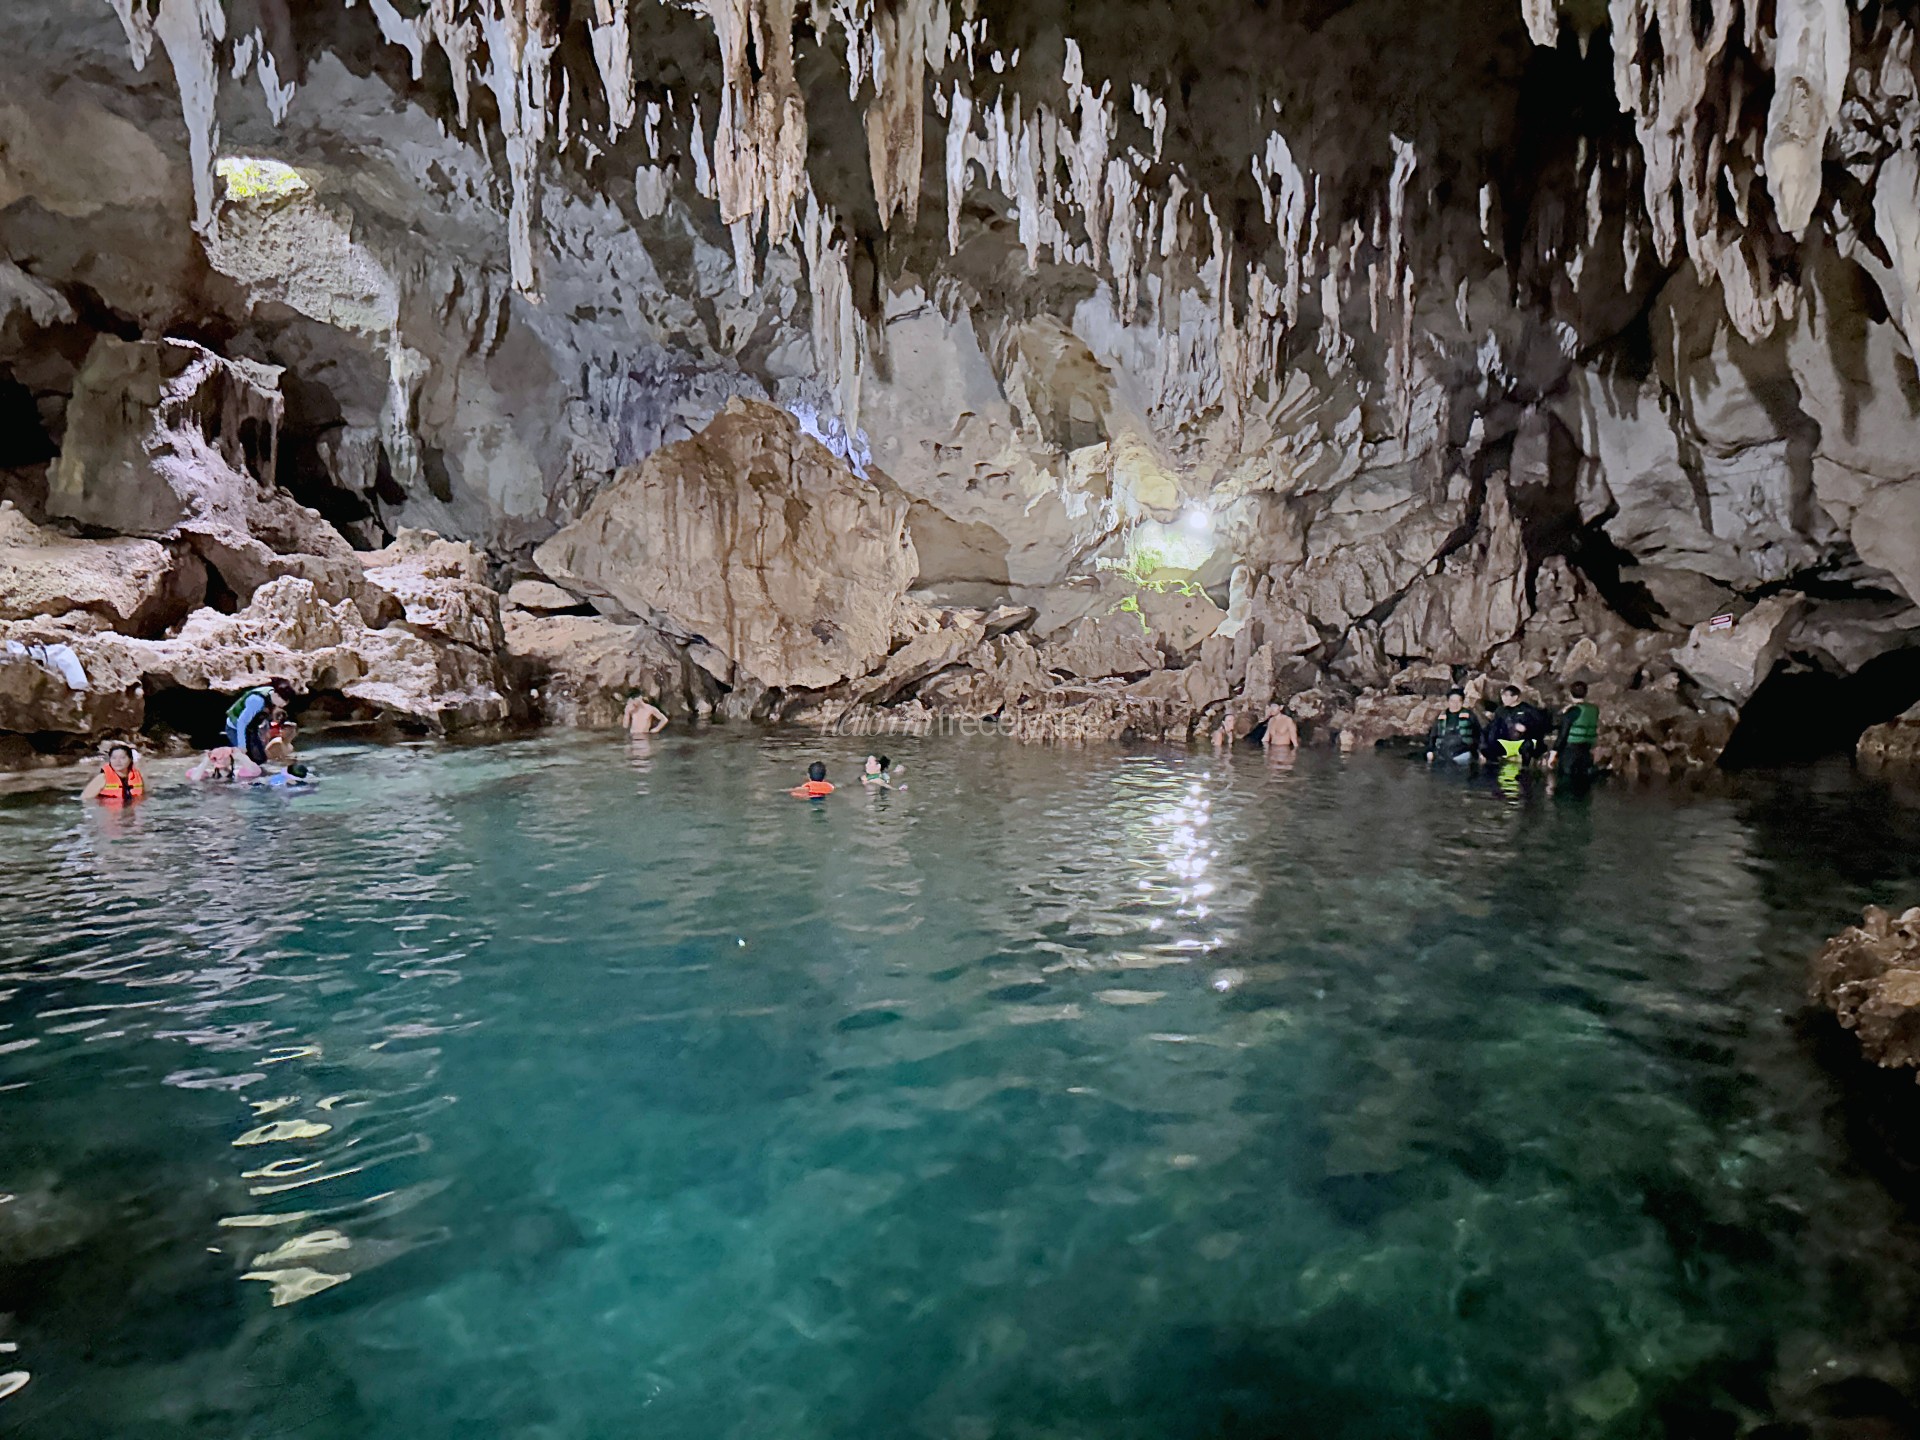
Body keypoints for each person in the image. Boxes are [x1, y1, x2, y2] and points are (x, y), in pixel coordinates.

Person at [226, 680, 294, 765]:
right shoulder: (257, 701)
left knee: (260, 758)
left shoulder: (271, 694)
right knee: (247, 759)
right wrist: (242, 745)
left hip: (251, 728)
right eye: (283, 701)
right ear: (276, 695)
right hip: (235, 728)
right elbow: (241, 722)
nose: (284, 704)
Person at [1482, 684, 1548, 765]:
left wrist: (1527, 728)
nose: (1503, 699)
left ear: (1515, 697)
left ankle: (1526, 768)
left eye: (1506, 696)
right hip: (1505, 743)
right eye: (1503, 696)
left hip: (1523, 744)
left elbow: (1541, 727)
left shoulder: (1528, 710)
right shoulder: (1501, 710)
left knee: (1529, 745)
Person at [1550, 681, 1600, 784]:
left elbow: (1563, 733)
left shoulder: (1573, 710)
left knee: (1566, 783)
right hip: (1586, 750)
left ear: (1570, 693)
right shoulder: (1594, 709)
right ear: (1586, 693)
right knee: (1583, 784)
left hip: (1570, 752)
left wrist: (1553, 753)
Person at [1425, 688, 1481, 765]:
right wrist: (1430, 750)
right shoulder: (1441, 716)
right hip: (1442, 754)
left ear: (1462, 702)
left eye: (1458, 701)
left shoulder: (1470, 716)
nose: (1455, 704)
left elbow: (1479, 733)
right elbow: (1433, 735)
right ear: (1448, 702)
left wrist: (1481, 752)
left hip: (1463, 754)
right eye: (1452, 701)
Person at [187, 745, 262, 782]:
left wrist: (240, 756)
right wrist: (206, 759)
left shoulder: (237, 773)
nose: (222, 759)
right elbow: (194, 779)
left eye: (225, 756)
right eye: (218, 757)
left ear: (231, 759)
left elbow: (256, 771)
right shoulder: (208, 774)